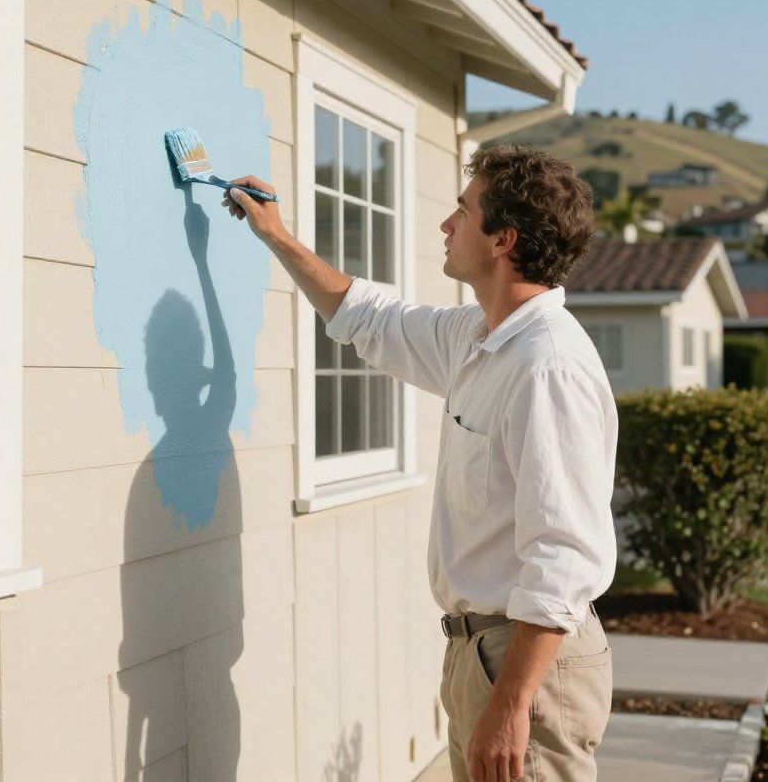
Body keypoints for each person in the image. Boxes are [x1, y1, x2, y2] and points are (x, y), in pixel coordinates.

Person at [223, 142, 618, 782]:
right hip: (480, 650)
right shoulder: (480, 338)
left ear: (502, 240)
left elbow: (566, 553)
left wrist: (513, 702)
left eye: (463, 211)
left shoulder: (546, 366)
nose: (446, 224)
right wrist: (278, 237)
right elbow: (371, 317)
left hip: (528, 663)